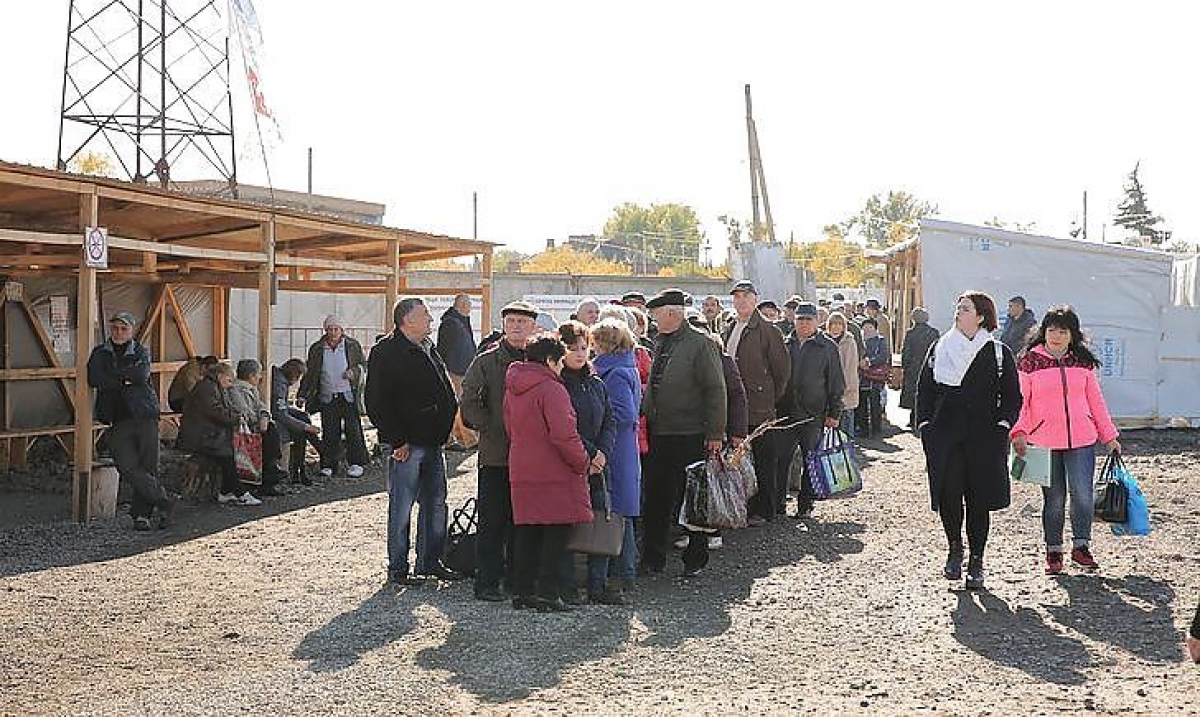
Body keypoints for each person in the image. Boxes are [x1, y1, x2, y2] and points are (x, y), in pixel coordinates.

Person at [915, 291, 1022, 590]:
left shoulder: (998, 352)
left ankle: (977, 560)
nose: (958, 312)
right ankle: (954, 549)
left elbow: (1012, 396)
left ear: (980, 316)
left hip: (984, 437)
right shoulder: (940, 347)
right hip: (945, 434)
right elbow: (924, 390)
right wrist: (925, 424)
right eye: (958, 307)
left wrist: (1003, 424)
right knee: (948, 494)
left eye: (965, 308)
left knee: (978, 500)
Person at [1010, 306, 1120, 575]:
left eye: (1062, 330)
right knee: (1054, 499)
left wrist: (1109, 435)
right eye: (1051, 330)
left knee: (1083, 496)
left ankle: (1081, 547)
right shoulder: (1029, 362)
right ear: (1043, 332)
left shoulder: (1082, 361)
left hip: (1082, 439)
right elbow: (1021, 402)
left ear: (1072, 334)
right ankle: (1054, 551)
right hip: (1044, 441)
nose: (1056, 336)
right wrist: (1019, 431)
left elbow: (1096, 401)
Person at [367, 297, 461, 586]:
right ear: (407, 320)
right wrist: (397, 441)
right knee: (402, 507)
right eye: (425, 315)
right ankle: (398, 568)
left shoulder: (427, 347)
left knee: (436, 504)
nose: (431, 320)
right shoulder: (387, 352)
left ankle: (430, 561)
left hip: (433, 442)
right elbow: (376, 400)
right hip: (407, 445)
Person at [641, 289, 726, 577]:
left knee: (694, 497)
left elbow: (716, 390)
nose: (653, 321)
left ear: (673, 314)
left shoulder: (700, 344)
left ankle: (696, 556)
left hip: (691, 432)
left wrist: (715, 432)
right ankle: (653, 557)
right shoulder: (659, 342)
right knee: (656, 496)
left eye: (656, 315)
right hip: (660, 432)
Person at [504, 335, 593, 612]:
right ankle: (547, 592)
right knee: (556, 533)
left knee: (528, 531)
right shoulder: (552, 389)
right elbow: (564, 434)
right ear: (552, 361)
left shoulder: (513, 386)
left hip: (522, 466)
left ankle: (523, 591)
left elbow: (510, 428)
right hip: (554, 470)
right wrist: (582, 461)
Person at [461, 300, 540, 602]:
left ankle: (519, 581)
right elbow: (468, 400)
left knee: (524, 521)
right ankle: (487, 582)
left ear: (533, 326)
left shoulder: (540, 359)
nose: (517, 326)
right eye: (511, 321)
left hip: (532, 457)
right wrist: (492, 426)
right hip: (496, 456)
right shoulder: (486, 361)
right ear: (504, 325)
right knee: (492, 520)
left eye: (523, 321)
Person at [87, 311, 175, 530]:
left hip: (145, 415)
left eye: (123, 328)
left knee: (148, 465)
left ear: (131, 330)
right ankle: (165, 500)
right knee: (126, 466)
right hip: (117, 419)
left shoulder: (140, 351)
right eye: (115, 328)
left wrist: (114, 376)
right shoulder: (100, 353)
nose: (118, 332)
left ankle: (141, 516)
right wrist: (124, 378)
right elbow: (95, 378)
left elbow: (141, 375)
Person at [556, 321, 621, 603]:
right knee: (568, 526)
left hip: (597, 466)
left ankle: (598, 584)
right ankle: (567, 585)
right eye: (572, 348)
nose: (580, 354)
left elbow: (610, 420)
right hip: (570, 464)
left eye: (584, 348)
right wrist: (591, 453)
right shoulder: (558, 385)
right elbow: (565, 428)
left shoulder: (596, 383)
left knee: (599, 521)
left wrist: (602, 453)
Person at [722, 280, 790, 524]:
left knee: (763, 460)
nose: (740, 300)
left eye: (745, 296)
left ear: (755, 299)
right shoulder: (729, 326)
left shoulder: (768, 330)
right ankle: (744, 507)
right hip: (733, 406)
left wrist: (768, 397)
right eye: (737, 296)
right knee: (739, 460)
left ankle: (766, 509)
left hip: (759, 407)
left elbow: (782, 371)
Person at [590, 318, 643, 602]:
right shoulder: (626, 367)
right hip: (623, 446)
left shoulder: (615, 372)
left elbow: (624, 413)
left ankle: (622, 573)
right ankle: (625, 573)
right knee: (621, 511)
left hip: (616, 447)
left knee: (615, 510)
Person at [779, 302, 845, 518]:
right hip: (786, 413)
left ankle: (805, 504)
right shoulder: (786, 343)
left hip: (813, 414)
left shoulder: (827, 347)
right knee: (781, 460)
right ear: (794, 320)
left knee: (810, 460)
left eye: (808, 319)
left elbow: (836, 382)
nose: (804, 323)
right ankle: (778, 504)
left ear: (817, 321)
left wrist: (834, 413)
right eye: (800, 319)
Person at [178, 362, 263, 506]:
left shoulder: (213, 386)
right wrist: (236, 419)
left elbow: (224, 409)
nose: (230, 384)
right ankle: (240, 492)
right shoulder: (207, 388)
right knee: (226, 455)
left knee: (228, 453)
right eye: (229, 380)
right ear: (220, 376)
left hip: (207, 431)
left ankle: (226, 492)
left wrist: (236, 416)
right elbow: (215, 412)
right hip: (200, 435)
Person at [298, 315, 368, 479]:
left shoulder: (352, 345)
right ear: (325, 330)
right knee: (329, 431)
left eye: (336, 329)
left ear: (342, 330)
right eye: (330, 329)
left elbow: (364, 365)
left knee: (353, 429)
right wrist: (303, 393)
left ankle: (356, 463)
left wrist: (354, 372)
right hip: (327, 394)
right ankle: (328, 464)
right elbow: (310, 373)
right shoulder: (317, 348)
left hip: (348, 393)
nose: (333, 332)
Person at [230, 359, 287, 495]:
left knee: (271, 428)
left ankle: (272, 467)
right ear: (251, 376)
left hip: (256, 425)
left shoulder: (251, 389)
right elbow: (244, 411)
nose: (260, 377)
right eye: (258, 374)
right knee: (270, 433)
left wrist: (264, 416)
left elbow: (261, 406)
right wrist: (260, 419)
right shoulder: (237, 390)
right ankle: (271, 470)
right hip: (244, 428)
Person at [436, 293, 478, 451]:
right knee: (457, 405)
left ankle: (462, 438)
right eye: (468, 306)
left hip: (462, 369)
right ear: (462, 306)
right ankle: (463, 438)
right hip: (455, 370)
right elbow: (444, 348)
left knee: (459, 405)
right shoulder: (451, 323)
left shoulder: (459, 321)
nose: (470, 309)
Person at [270, 358, 322, 485]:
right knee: (301, 431)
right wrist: (305, 427)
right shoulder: (279, 384)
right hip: (274, 419)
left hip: (277, 415)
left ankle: (301, 470)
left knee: (302, 418)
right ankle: (320, 450)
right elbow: (279, 412)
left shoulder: (280, 380)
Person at [899, 307, 940, 426]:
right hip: (929, 366)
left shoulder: (911, 333)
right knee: (927, 392)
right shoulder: (933, 332)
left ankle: (913, 419)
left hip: (913, 367)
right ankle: (926, 418)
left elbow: (906, 352)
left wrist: (904, 366)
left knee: (914, 394)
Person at [826, 312, 860, 438]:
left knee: (845, 429)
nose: (836, 327)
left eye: (839, 324)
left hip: (846, 390)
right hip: (828, 391)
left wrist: (844, 388)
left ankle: (848, 455)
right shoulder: (824, 340)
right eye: (833, 324)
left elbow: (850, 367)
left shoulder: (849, 341)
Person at [859, 317, 890, 438]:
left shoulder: (881, 340)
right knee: (862, 405)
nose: (867, 330)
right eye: (865, 327)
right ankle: (863, 429)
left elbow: (883, 356)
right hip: (862, 377)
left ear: (875, 328)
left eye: (870, 327)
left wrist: (869, 362)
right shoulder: (859, 341)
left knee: (875, 404)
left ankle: (876, 429)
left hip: (875, 377)